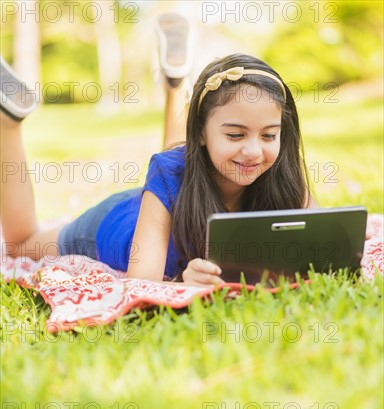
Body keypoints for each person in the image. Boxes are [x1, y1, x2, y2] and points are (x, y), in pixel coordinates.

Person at [0, 14, 316, 287]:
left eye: (269, 135)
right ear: (201, 133)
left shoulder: (279, 170)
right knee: (21, 244)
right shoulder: (171, 170)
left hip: (169, 193)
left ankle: (175, 83)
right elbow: (142, 283)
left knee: (176, 164)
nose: (253, 151)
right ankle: (8, 123)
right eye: (235, 134)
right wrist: (182, 282)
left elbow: (329, 241)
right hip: (117, 224)